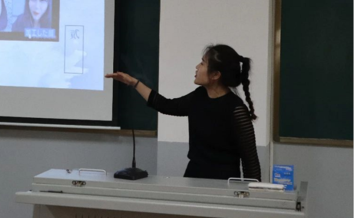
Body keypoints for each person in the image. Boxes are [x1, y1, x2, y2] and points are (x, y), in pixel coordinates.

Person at [106, 44, 261, 181]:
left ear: (215, 75)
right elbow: (166, 105)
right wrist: (134, 83)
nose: (197, 67)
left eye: (202, 63)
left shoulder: (236, 109)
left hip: (223, 183)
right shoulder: (199, 96)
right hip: (193, 176)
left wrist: (252, 197)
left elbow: (251, 162)